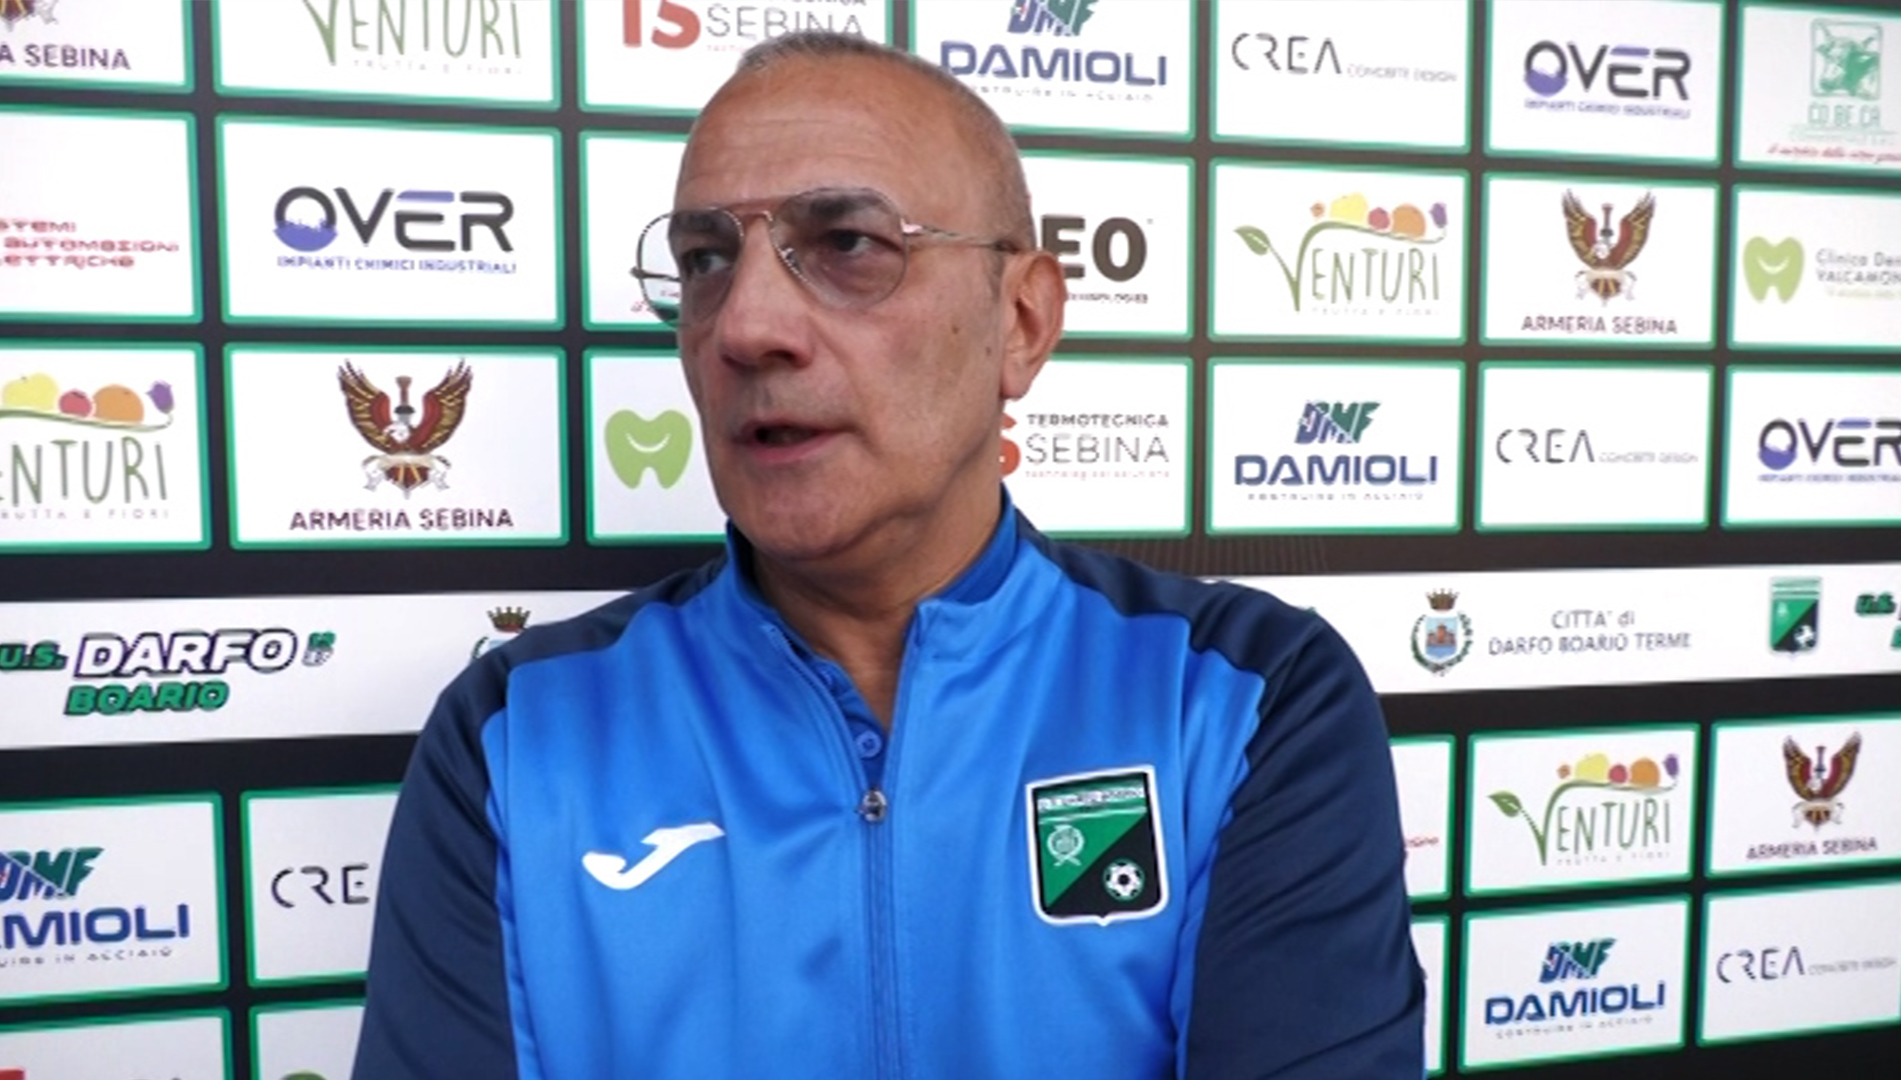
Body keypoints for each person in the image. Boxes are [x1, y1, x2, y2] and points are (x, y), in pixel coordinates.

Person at [355, 31, 1423, 1080]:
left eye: (847, 245)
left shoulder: (1246, 699)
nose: (744, 325)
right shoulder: (514, 738)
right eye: (706, 260)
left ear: (1022, 320)